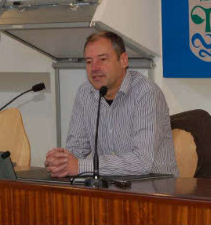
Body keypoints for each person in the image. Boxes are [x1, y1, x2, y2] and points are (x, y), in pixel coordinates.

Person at [44, 31, 178, 177]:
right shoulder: (85, 93)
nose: (94, 68)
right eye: (89, 61)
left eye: (102, 59)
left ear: (123, 61)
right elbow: (76, 149)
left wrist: (80, 166)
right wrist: (60, 161)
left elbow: (142, 162)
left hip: (153, 190)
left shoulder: (146, 93)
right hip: (109, 189)